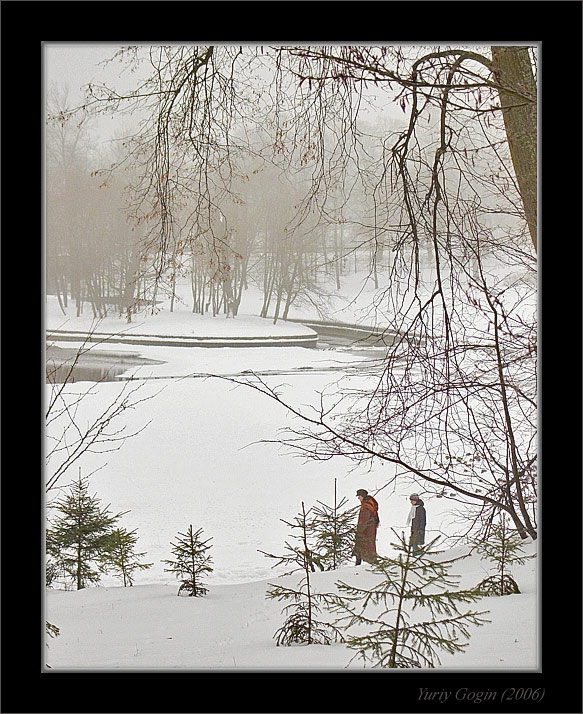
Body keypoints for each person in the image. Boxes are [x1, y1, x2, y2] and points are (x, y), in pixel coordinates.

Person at [353, 489, 379, 565]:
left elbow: (364, 520)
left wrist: (359, 531)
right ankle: (359, 562)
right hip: (370, 530)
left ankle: (371, 562)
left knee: (364, 546)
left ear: (362, 496)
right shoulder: (370, 504)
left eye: (359, 496)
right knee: (367, 546)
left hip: (366, 531)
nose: (358, 498)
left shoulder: (366, 506)